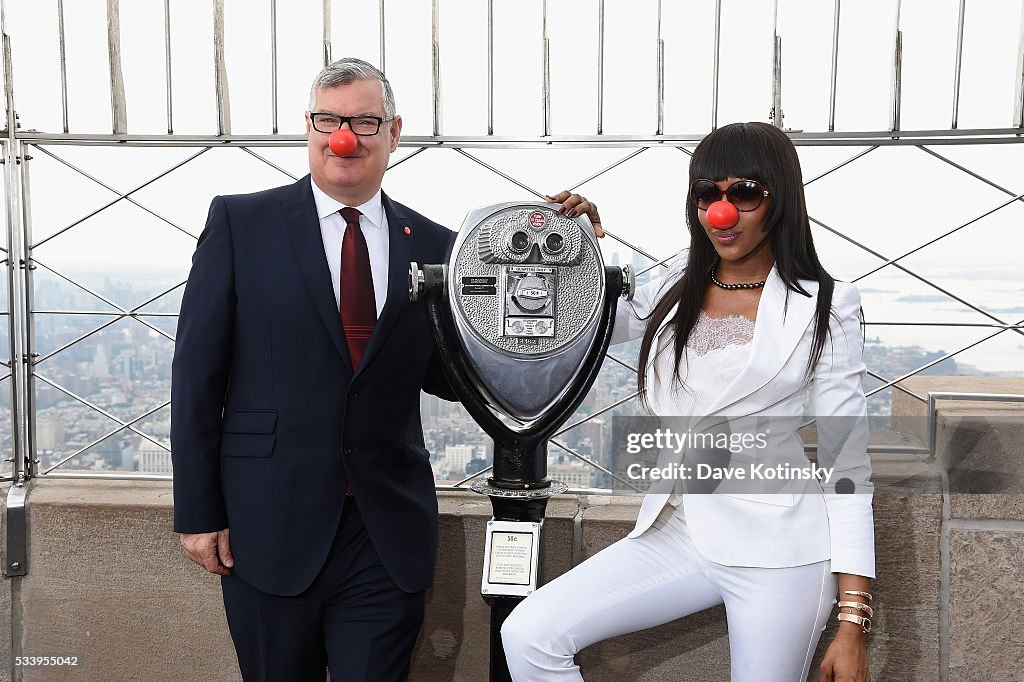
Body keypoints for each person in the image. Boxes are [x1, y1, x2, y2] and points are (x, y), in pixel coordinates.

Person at [501, 122, 874, 682]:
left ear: (781, 198)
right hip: (680, 529)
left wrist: (853, 621)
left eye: (744, 193)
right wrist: (583, 247)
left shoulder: (827, 305)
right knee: (530, 634)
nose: (722, 212)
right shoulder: (679, 278)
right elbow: (593, 322)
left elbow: (847, 464)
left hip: (782, 554)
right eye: (707, 195)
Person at [170, 58, 462, 681]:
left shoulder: (436, 245)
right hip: (267, 525)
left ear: (394, 131)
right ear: (309, 126)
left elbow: (454, 375)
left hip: (384, 535)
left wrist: (557, 264)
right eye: (327, 120)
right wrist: (198, 511)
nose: (343, 138)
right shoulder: (240, 224)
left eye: (361, 120)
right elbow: (196, 374)